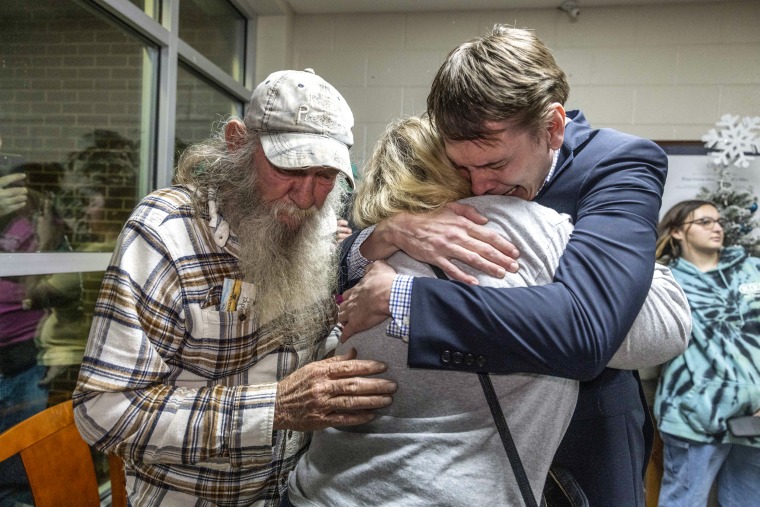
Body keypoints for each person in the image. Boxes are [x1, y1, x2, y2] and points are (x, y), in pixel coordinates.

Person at [337, 26, 672, 506]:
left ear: (553, 128)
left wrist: (402, 297)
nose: (478, 187)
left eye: (495, 166)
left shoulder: (616, 165)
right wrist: (386, 234)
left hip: (583, 435)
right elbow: (333, 259)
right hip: (461, 441)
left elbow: (586, 330)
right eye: (462, 170)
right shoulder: (468, 146)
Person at [284, 116, 690, 506]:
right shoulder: (525, 232)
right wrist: (625, 256)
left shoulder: (369, 258)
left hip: (319, 488)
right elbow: (666, 325)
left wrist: (392, 264)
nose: (484, 181)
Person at [73, 68, 398, 507]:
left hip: (293, 493)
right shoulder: (165, 234)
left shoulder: (317, 230)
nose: (305, 197)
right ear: (237, 142)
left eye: (325, 175)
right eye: (289, 166)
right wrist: (276, 407)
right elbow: (104, 412)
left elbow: (312, 344)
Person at [654, 200, 760, 507]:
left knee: (748, 501)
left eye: (718, 221)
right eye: (704, 222)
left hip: (752, 418)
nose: (716, 227)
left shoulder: (752, 270)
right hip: (694, 416)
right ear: (676, 232)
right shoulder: (663, 281)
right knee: (685, 501)